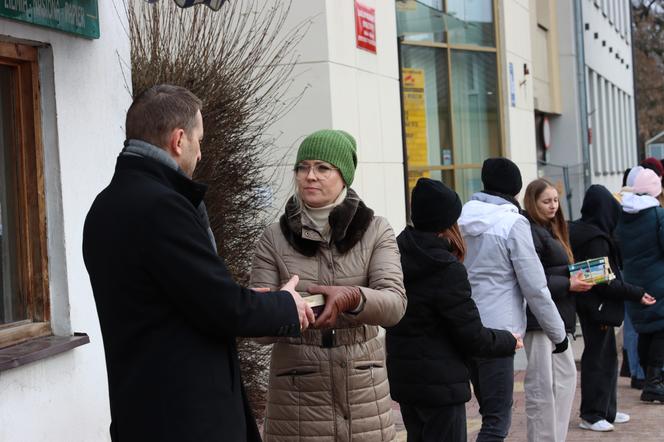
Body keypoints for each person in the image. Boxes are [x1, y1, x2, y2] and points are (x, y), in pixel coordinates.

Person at [82, 84, 314, 442]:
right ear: (178, 140)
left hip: (141, 412)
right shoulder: (161, 208)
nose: (201, 152)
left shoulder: (104, 206)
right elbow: (221, 307)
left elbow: (184, 297)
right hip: (187, 418)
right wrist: (284, 305)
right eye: (199, 140)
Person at [250, 129, 407, 441]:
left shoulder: (376, 230)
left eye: (322, 168)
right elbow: (257, 329)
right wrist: (280, 309)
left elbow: (394, 305)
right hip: (297, 395)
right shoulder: (273, 237)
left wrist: (353, 297)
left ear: (344, 175)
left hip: (364, 393)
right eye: (303, 167)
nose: (310, 176)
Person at [386, 178, 522, 442]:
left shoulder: (395, 254)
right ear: (447, 222)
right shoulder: (446, 268)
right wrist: (508, 340)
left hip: (406, 381)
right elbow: (471, 335)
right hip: (442, 386)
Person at [458, 158, 567, 442]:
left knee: (485, 411)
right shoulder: (513, 223)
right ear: (516, 188)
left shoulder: (460, 220)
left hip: (464, 323)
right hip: (499, 332)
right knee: (496, 420)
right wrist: (559, 334)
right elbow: (535, 287)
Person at [569, 184, 655, 431]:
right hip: (598, 306)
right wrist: (637, 293)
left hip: (593, 304)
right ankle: (593, 414)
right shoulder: (594, 238)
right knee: (598, 359)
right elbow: (604, 282)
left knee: (607, 358)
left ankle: (607, 409)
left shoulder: (583, 230)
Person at [521, 178, 592, 441]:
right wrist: (568, 283)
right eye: (546, 201)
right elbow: (532, 279)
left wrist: (576, 276)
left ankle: (554, 437)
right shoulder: (531, 230)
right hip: (540, 319)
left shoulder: (551, 228)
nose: (553, 206)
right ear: (533, 202)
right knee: (545, 385)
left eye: (555, 200)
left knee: (563, 380)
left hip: (557, 315)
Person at [616, 167, 664, 403]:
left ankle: (646, 378)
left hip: (634, 280)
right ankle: (654, 382)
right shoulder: (658, 215)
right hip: (659, 280)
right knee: (661, 329)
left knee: (645, 328)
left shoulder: (623, 215)